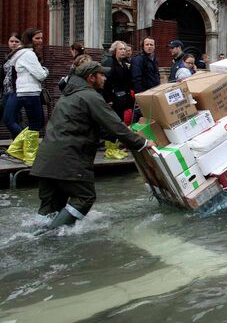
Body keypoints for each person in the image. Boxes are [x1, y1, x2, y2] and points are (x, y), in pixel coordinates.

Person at [31, 61, 155, 232]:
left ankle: (38, 235)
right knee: (84, 197)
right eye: (101, 75)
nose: (104, 78)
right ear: (91, 78)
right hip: (69, 159)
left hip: (46, 160)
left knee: (50, 208)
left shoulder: (69, 95)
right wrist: (142, 142)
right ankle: (49, 237)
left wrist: (120, 138)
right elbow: (114, 125)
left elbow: (94, 127)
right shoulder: (90, 96)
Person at [3, 28, 48, 164]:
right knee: (36, 123)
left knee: (36, 122)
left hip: (23, 91)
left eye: (41, 38)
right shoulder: (29, 54)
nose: (41, 41)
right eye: (37, 38)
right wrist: (45, 71)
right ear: (30, 39)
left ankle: (18, 149)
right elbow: (40, 75)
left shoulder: (20, 54)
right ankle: (28, 155)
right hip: (30, 91)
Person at [103, 40, 133, 124]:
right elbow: (105, 82)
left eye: (124, 49)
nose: (123, 51)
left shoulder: (124, 64)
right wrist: (108, 99)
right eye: (120, 49)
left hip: (122, 99)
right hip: (113, 99)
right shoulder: (109, 62)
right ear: (115, 50)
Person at [1, 32, 22, 136]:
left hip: (16, 91)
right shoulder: (8, 57)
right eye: (11, 41)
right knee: (14, 120)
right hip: (6, 92)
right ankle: (18, 147)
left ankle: (26, 141)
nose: (14, 43)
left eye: (16, 41)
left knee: (8, 119)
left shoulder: (22, 55)